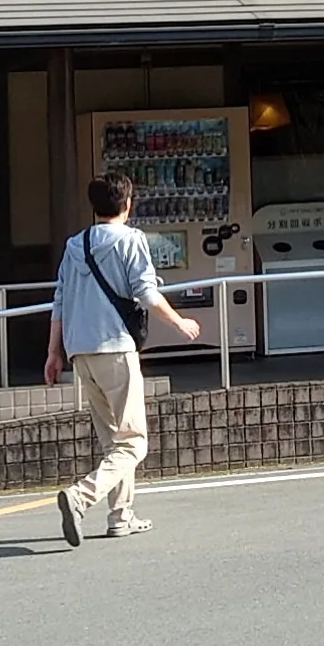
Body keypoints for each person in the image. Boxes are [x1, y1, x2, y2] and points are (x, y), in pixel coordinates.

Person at [42, 170, 199, 545]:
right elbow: (145, 292)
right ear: (128, 204)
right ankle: (80, 497)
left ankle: (120, 516)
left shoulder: (74, 244)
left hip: (80, 351)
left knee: (114, 440)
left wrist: (53, 352)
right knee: (134, 443)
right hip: (115, 347)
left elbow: (60, 301)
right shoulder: (132, 240)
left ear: (94, 206)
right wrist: (180, 322)